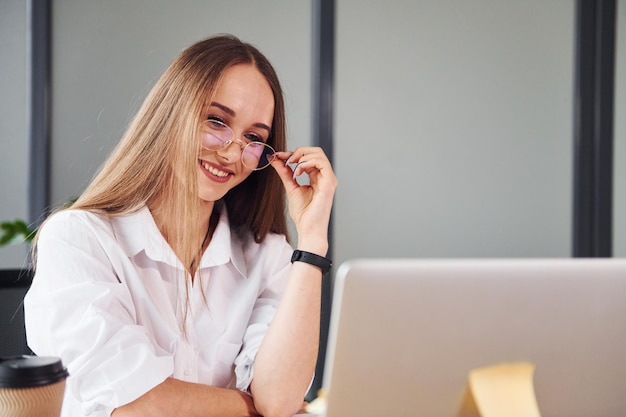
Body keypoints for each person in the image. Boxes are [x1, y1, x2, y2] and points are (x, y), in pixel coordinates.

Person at [24, 34, 337, 417]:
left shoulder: (267, 256)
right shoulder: (78, 239)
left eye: (254, 138)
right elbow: (141, 406)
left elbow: (280, 397)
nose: (232, 152)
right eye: (216, 121)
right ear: (173, 112)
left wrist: (312, 240)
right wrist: (256, 409)